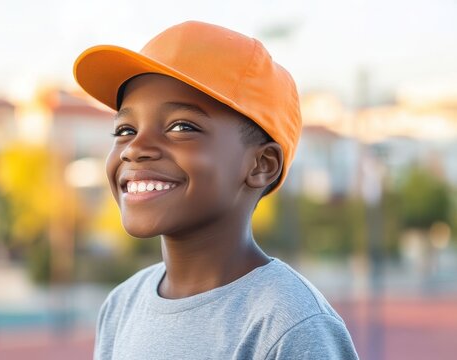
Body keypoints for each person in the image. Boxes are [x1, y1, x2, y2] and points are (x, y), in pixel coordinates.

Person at [73, 21, 359, 360]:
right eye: (125, 129)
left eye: (181, 127)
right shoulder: (121, 306)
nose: (135, 148)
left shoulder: (290, 325)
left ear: (261, 165)